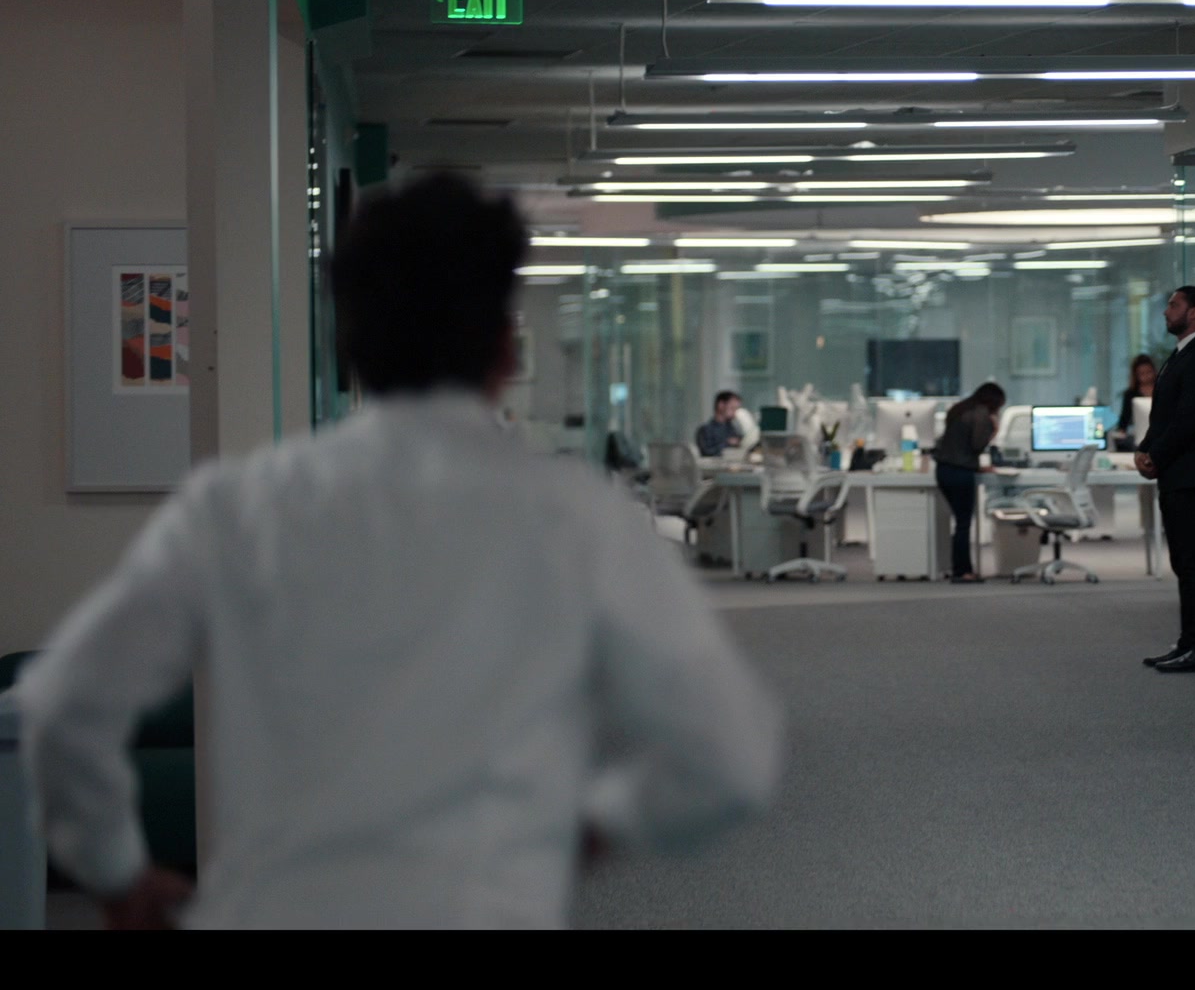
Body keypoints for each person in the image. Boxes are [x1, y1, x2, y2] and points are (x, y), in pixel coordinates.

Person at [13, 173, 784, 930]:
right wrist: (588, 826)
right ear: (506, 349)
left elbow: (60, 706)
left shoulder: (236, 509)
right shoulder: (576, 520)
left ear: (346, 342)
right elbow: (730, 755)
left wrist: (115, 872)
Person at [1137, 285, 1195, 674]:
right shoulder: (1180, 356)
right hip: (1175, 473)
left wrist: (1155, 455)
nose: (1166, 311)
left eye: (1173, 305)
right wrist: (1144, 448)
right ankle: (1189, 641)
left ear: (1194, 312)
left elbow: (1188, 421)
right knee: (1183, 562)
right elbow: (1163, 416)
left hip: (1190, 474)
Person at [931, 381, 1005, 584]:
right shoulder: (981, 414)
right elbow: (976, 445)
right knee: (963, 523)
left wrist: (977, 467)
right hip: (960, 473)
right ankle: (962, 571)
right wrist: (994, 429)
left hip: (944, 470)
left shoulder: (960, 409)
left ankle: (960, 568)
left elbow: (957, 446)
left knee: (960, 522)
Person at [1109, 353, 1157, 451]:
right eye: (1142, 373)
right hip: (1139, 438)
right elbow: (1124, 419)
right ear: (1136, 375)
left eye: (1149, 372)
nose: (1146, 376)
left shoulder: (1161, 390)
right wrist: (1120, 433)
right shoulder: (1131, 394)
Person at [696, 391, 744, 457]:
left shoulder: (733, 429)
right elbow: (706, 452)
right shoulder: (706, 430)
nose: (735, 412)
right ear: (721, 405)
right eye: (732, 408)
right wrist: (727, 443)